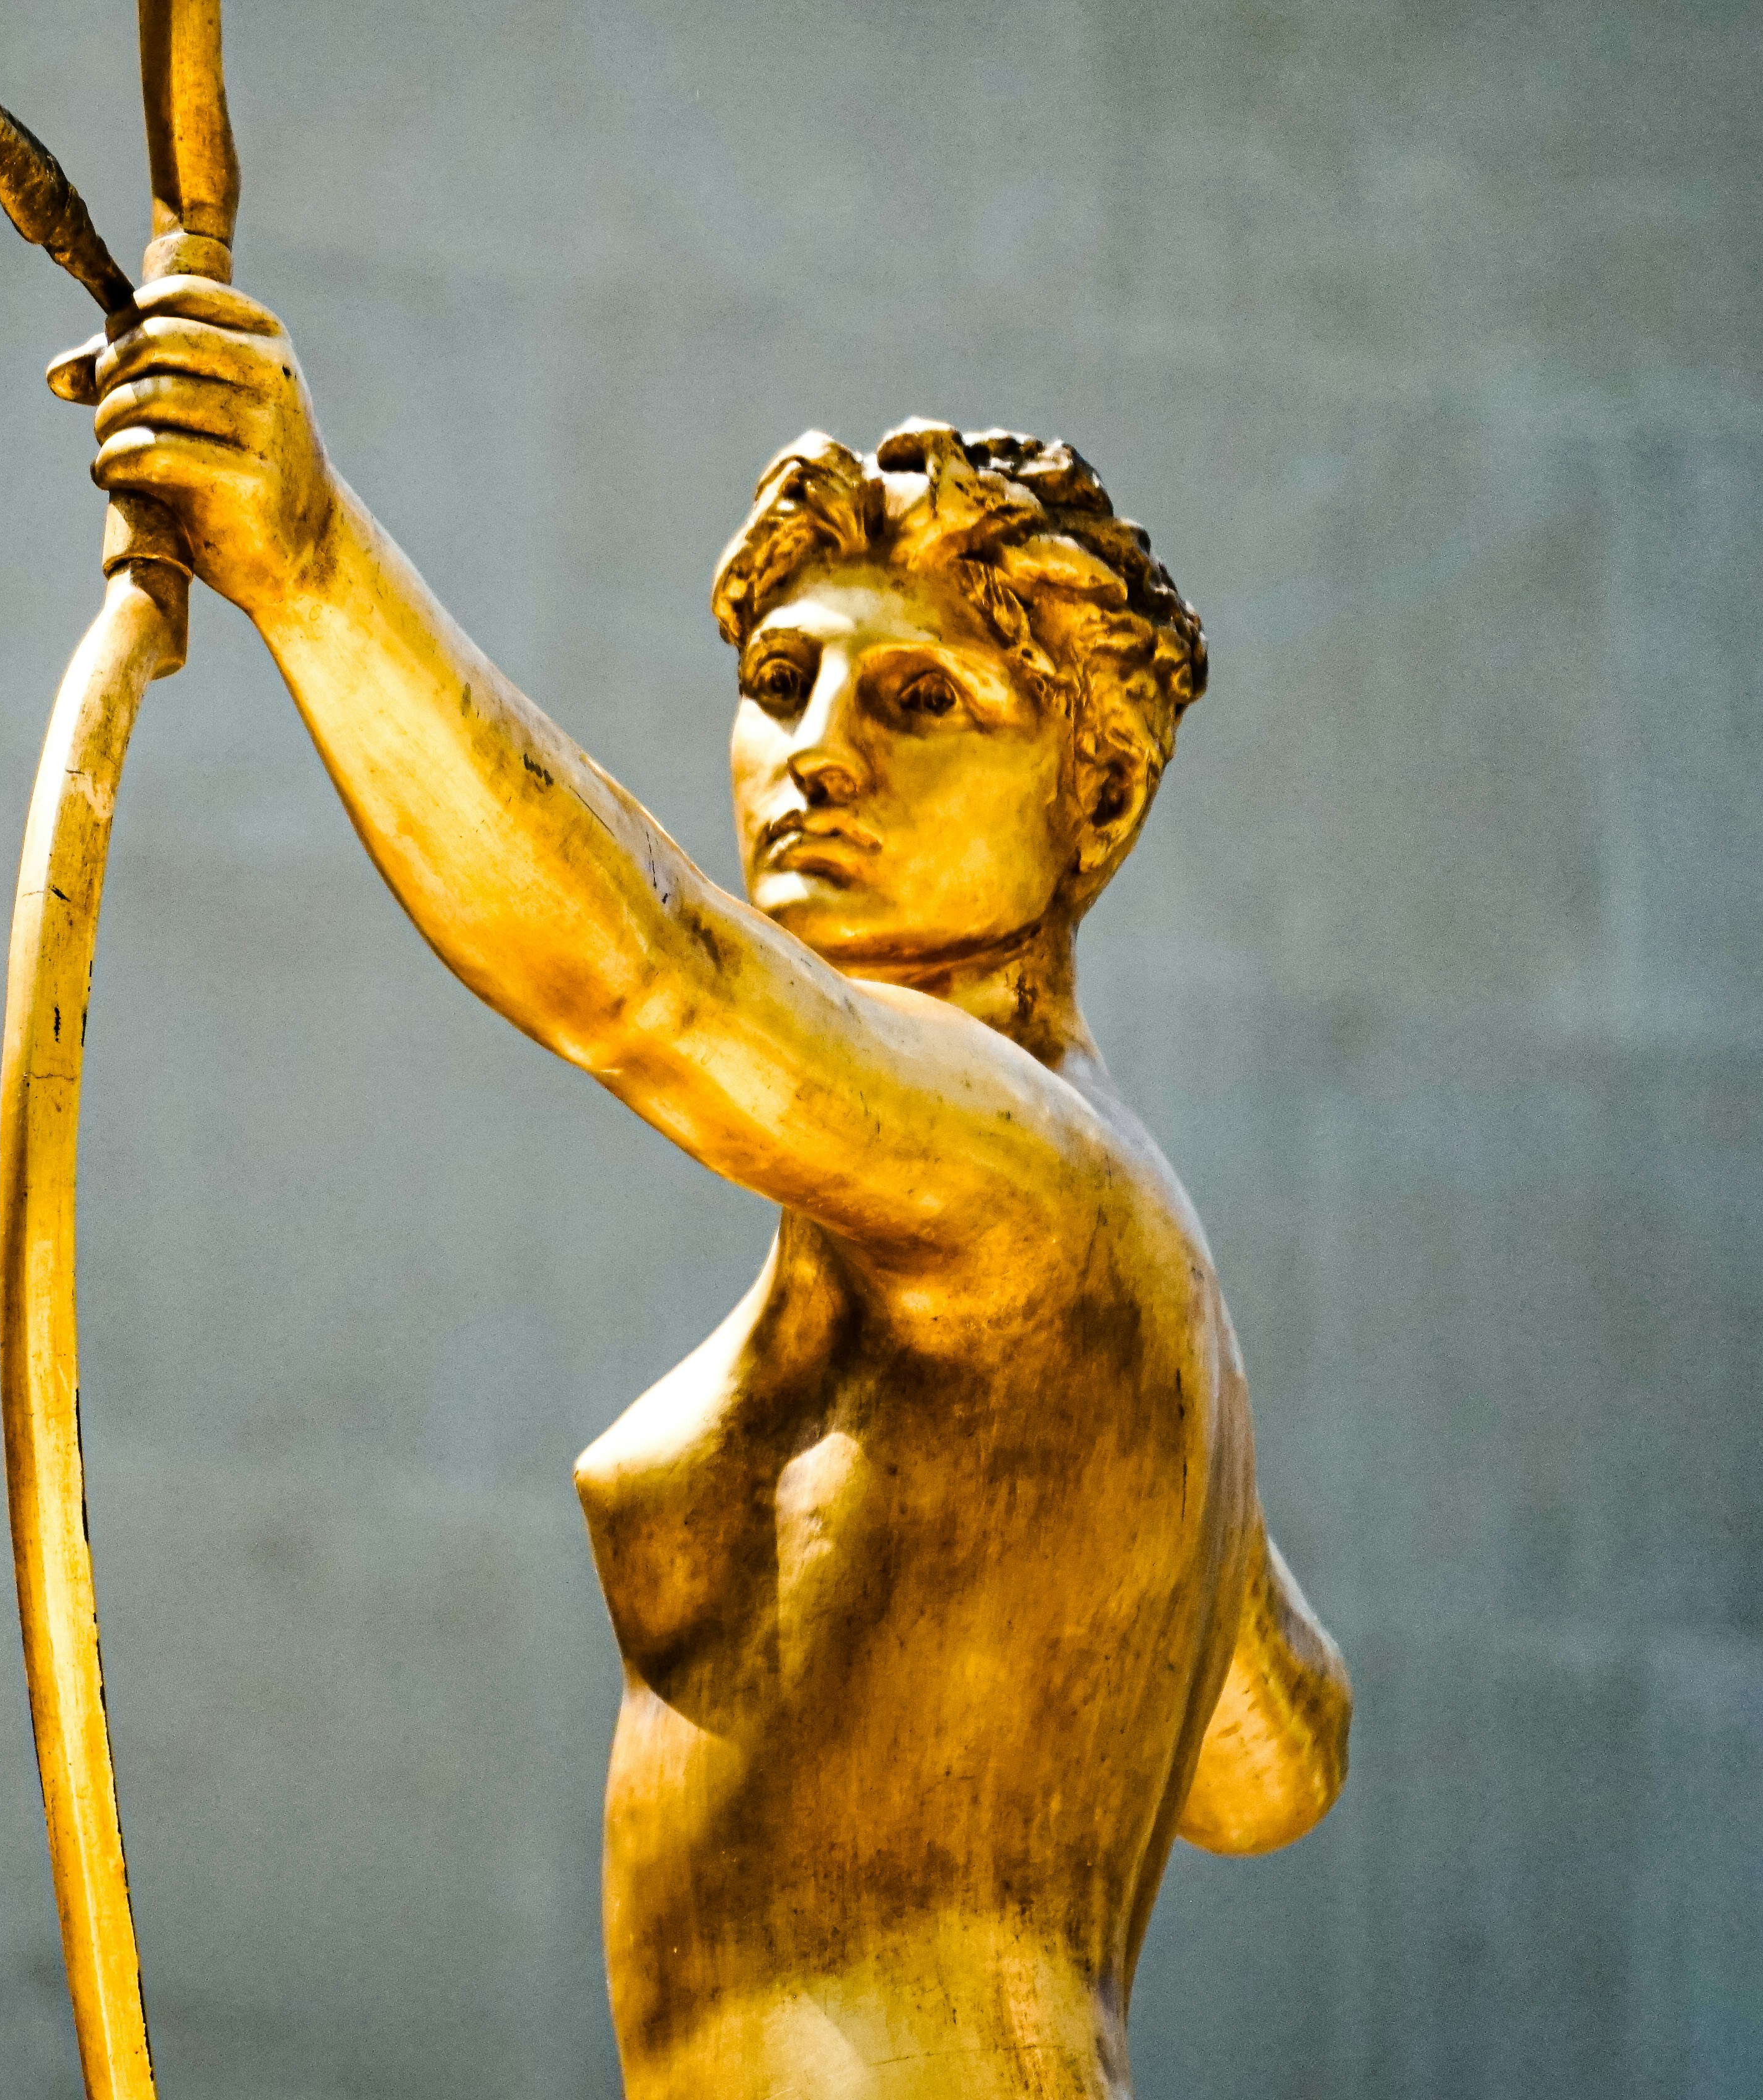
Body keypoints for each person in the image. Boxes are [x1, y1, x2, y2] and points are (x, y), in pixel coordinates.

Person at [75, 273, 1351, 2099]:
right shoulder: (1072, 1247)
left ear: (1098, 801)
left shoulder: (1040, 1188)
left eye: (922, 696)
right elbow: (1276, 1761)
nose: (816, 748)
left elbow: (651, 983)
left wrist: (313, 561)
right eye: (778, 682)